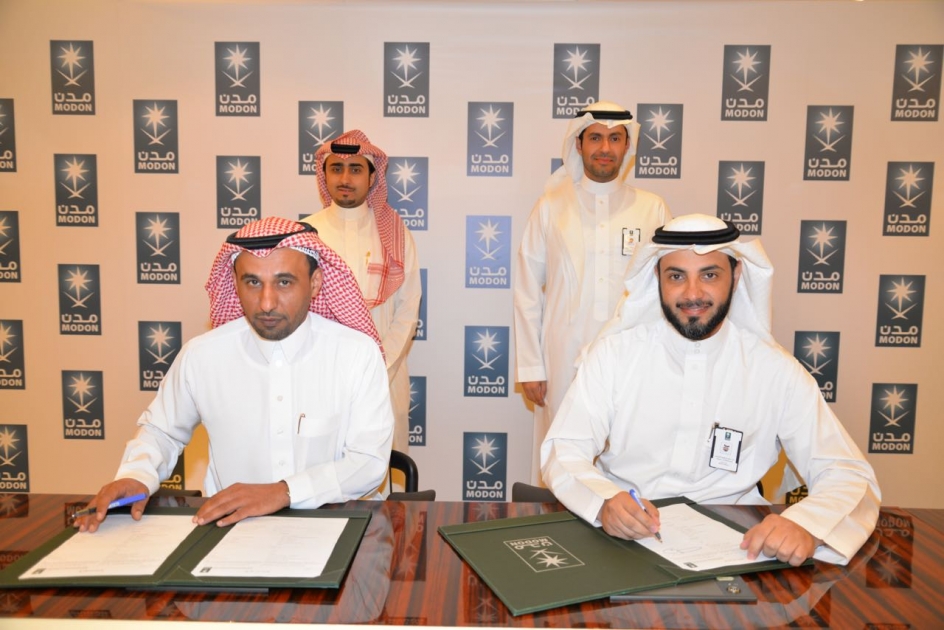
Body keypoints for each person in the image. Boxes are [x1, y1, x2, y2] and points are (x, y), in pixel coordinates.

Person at [541, 214, 880, 566]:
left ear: (736, 275)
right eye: (676, 276)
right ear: (656, 278)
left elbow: (848, 473)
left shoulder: (775, 370)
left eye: (709, 275)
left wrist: (807, 525)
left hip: (741, 545)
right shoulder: (613, 356)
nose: (693, 293)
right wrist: (603, 502)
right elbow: (564, 449)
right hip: (626, 541)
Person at [77, 217, 395, 532]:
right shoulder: (202, 355)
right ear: (235, 282)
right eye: (253, 282)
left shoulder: (357, 354)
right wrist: (135, 474)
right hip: (230, 529)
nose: (266, 303)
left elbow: (368, 462)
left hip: (336, 527)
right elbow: (162, 431)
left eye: (284, 282)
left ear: (315, 283)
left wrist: (284, 492)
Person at [514, 101, 671, 483]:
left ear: (627, 145)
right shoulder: (551, 206)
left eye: (615, 139)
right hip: (561, 356)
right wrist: (532, 366)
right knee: (562, 459)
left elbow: (668, 288)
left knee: (628, 456)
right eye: (596, 138)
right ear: (579, 144)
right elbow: (527, 288)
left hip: (633, 357)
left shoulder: (652, 209)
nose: (605, 148)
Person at [302, 130, 421, 455]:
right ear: (324, 175)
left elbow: (408, 309)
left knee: (383, 468)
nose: (345, 178)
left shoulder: (396, 233)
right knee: (320, 469)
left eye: (355, 169)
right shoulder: (306, 234)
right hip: (319, 377)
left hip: (384, 375)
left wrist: (379, 367)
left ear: (372, 177)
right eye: (336, 168)